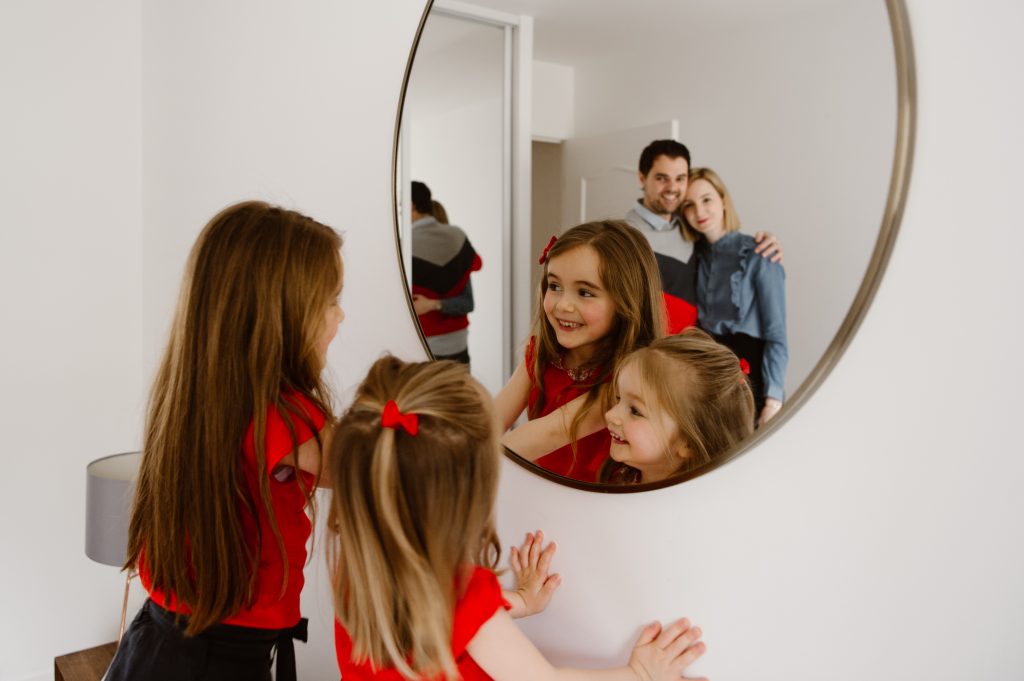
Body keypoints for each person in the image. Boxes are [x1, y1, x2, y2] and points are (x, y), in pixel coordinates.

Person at [328, 356, 708, 681]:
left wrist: (520, 601)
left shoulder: (358, 576)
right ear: (465, 500)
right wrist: (638, 674)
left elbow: (437, 612)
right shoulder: (466, 598)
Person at [106, 202, 344, 681]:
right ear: (281, 315)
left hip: (156, 643)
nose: (341, 316)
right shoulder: (283, 418)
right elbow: (380, 465)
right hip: (211, 663)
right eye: (330, 300)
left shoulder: (198, 399)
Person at [494, 220, 666, 482]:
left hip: (595, 505)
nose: (563, 305)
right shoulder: (540, 352)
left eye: (584, 292)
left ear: (626, 302)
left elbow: (554, 431)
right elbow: (493, 420)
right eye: (554, 286)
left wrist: (470, 460)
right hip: (540, 488)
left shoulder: (628, 379)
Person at [504, 329, 755, 485]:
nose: (610, 415)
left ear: (687, 444)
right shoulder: (618, 478)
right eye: (617, 399)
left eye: (635, 410)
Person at [624, 139, 783, 334]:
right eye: (661, 178)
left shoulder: (688, 228)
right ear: (642, 178)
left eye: (680, 178)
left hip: (694, 353)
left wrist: (768, 241)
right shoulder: (625, 237)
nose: (672, 188)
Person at [681, 167, 787, 426]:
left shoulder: (760, 253)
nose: (699, 212)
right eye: (689, 205)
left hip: (752, 378)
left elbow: (777, 336)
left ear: (723, 200)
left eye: (706, 200)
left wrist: (773, 402)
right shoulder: (691, 256)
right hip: (708, 374)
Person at [410, 181, 481, 365]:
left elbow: (468, 303)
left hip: (425, 345)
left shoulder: (404, 245)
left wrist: (432, 305)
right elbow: (468, 302)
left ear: (412, 206)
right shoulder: (457, 239)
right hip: (455, 344)